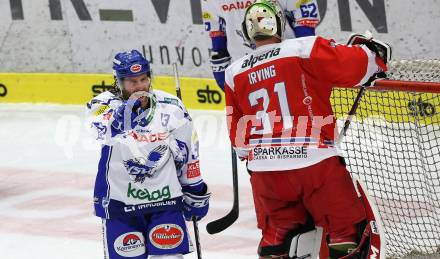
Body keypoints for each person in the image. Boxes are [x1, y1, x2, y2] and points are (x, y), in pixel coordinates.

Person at [224, 1, 390, 258]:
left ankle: (275, 243)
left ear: (247, 33)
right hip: (315, 166)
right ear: (280, 23)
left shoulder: (234, 72)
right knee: (347, 233)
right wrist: (373, 54)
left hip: (265, 175)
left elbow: (240, 145)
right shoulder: (303, 48)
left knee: (277, 238)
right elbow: (357, 66)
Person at [86, 50, 210, 259]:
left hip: (165, 201)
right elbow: (102, 133)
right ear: (119, 82)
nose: (140, 86)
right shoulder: (101, 104)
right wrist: (127, 112)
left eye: (144, 79)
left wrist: (194, 187)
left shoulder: (170, 105)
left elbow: (187, 150)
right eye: (132, 82)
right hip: (119, 204)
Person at [202, 0, 320, 90]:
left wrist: (305, 61)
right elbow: (217, 33)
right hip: (245, 72)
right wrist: (223, 76)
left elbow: (304, 20)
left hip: (286, 67)